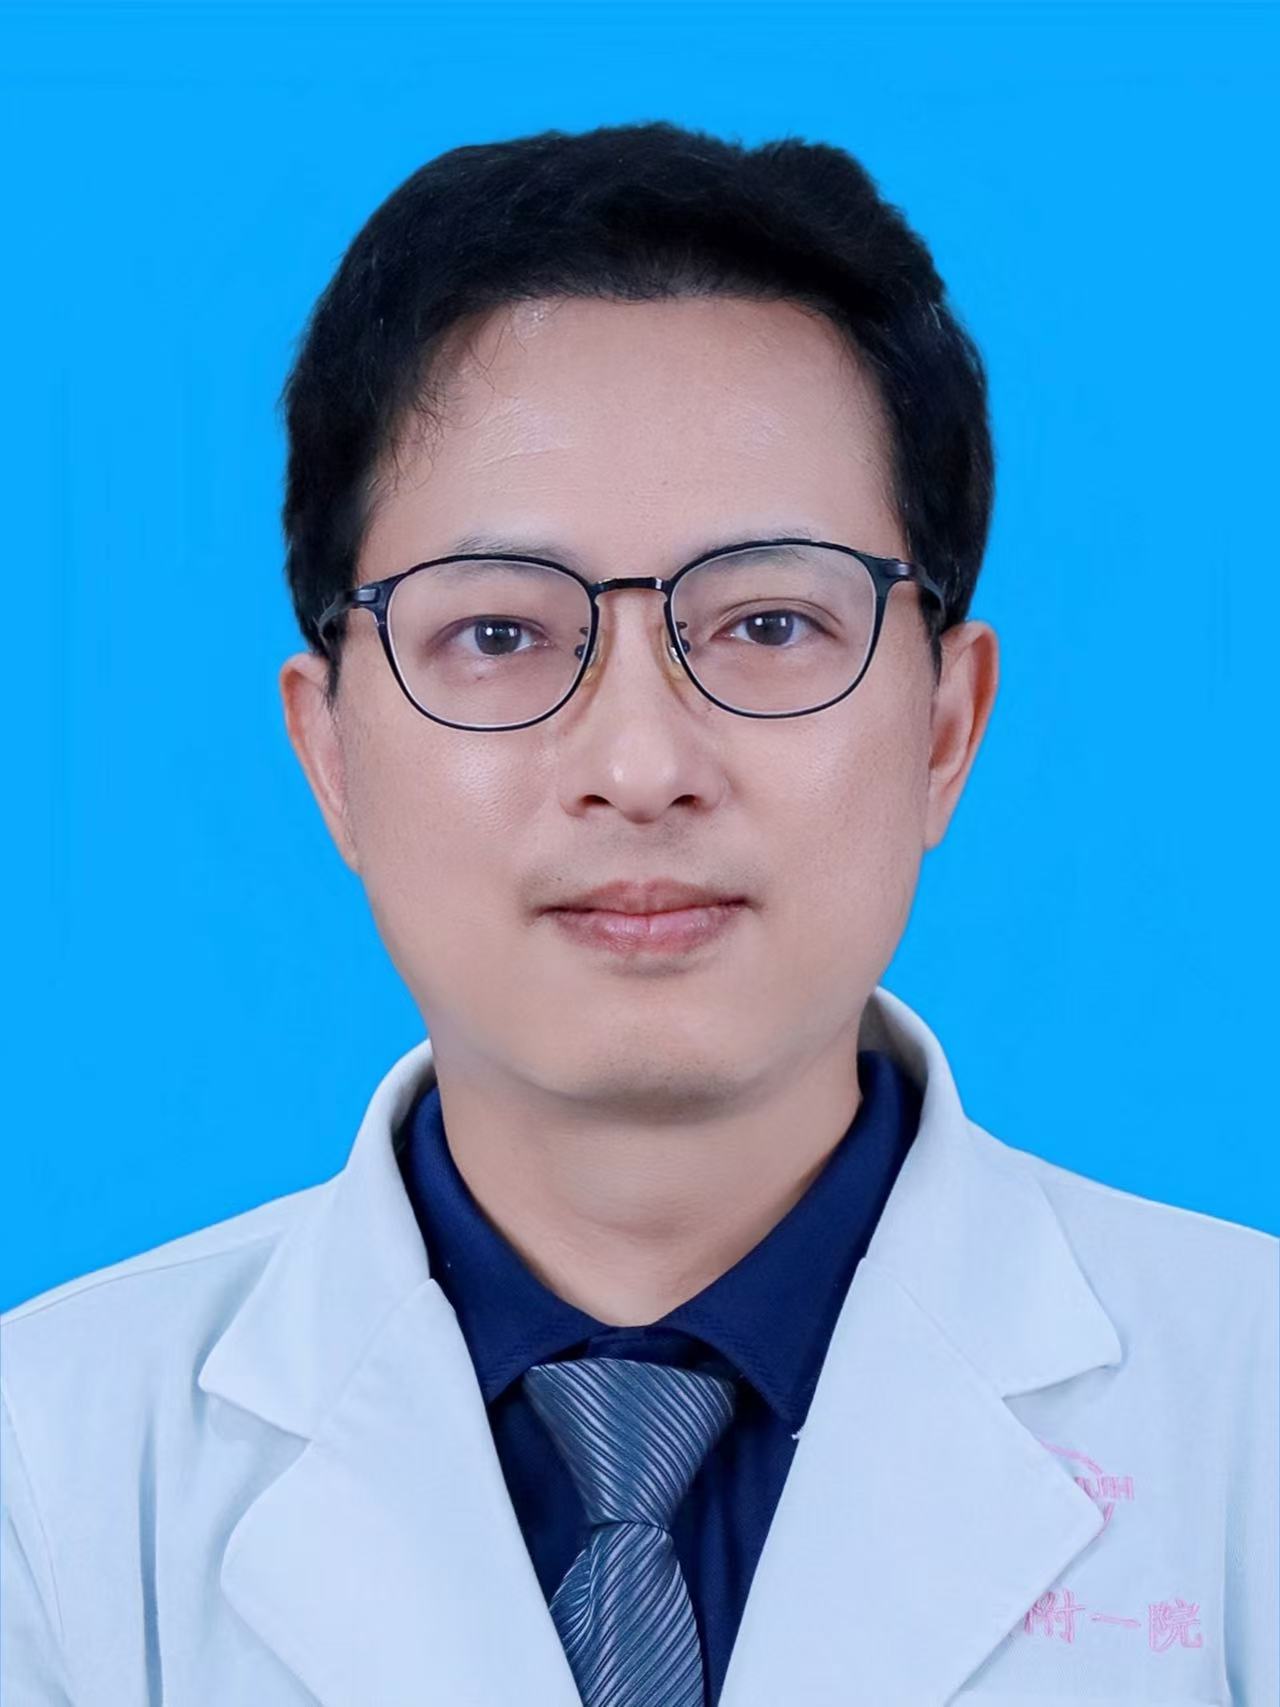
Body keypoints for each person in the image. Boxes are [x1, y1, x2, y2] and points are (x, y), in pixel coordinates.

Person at [2, 120, 1275, 1707]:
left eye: (768, 623)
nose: (641, 766)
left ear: (947, 728)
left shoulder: (1249, 1424)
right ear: (328, 753)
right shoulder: (47, 1471)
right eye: (497, 634)